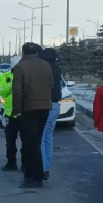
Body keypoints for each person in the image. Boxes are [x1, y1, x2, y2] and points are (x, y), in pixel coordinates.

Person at [11, 43, 54, 188]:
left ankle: (34, 177)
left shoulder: (20, 67)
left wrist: (16, 111)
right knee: (36, 141)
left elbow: (17, 92)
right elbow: (51, 85)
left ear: (23, 52)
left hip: (27, 109)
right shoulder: (46, 65)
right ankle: (37, 173)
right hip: (44, 108)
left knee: (29, 144)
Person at [39, 48, 63, 180]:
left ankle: (42, 168)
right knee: (48, 137)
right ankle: (47, 166)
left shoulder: (45, 69)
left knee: (41, 137)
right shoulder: (57, 68)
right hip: (55, 106)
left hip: (45, 105)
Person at [0, 56, 21, 172]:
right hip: (10, 114)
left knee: (27, 141)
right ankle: (11, 163)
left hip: (23, 113)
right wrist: (13, 83)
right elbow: (0, 91)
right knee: (10, 142)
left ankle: (26, 164)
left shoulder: (26, 75)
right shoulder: (5, 76)